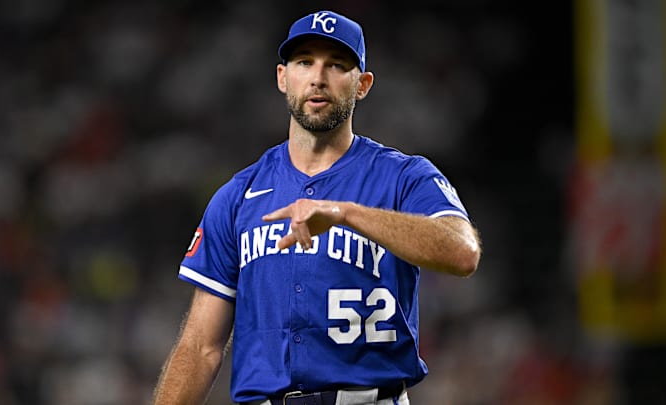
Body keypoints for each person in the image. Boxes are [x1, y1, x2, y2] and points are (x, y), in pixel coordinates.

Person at [152, 10, 482, 405]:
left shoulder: (404, 177)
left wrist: (347, 213)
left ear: (362, 85)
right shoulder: (238, 196)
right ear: (282, 77)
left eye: (337, 65)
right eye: (304, 61)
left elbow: (462, 252)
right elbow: (201, 346)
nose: (318, 77)